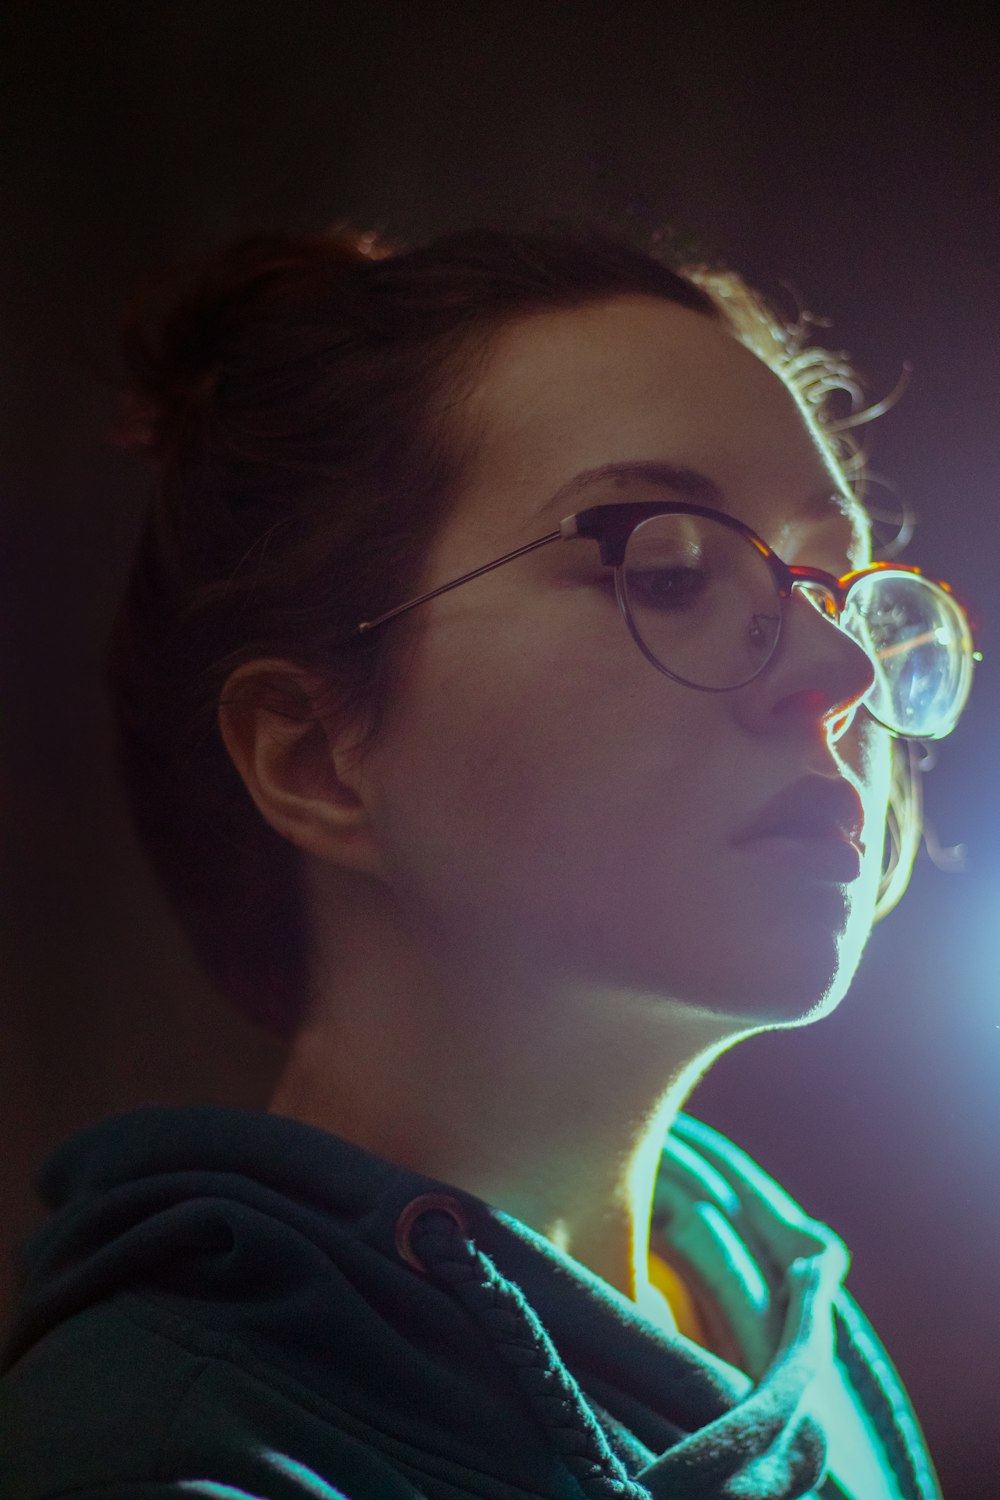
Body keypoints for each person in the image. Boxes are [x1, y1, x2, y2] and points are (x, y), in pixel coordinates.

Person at [0, 226, 976, 1500]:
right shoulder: (173, 1456)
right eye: (670, 568)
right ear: (313, 757)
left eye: (837, 588)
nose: (841, 672)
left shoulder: (782, 1316)